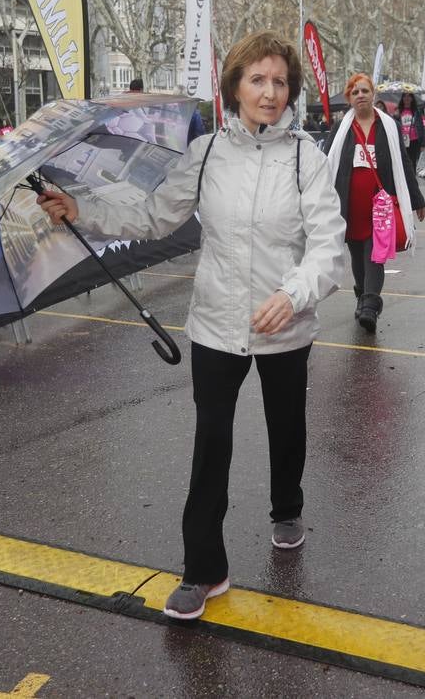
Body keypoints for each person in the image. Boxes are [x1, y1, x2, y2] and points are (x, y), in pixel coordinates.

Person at [37, 31, 346, 622]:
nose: (270, 92)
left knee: (287, 428)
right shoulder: (205, 152)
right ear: (234, 86)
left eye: (280, 81)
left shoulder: (308, 157)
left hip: (285, 323)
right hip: (214, 323)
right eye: (257, 79)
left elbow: (329, 246)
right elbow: (154, 216)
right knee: (212, 444)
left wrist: (293, 293)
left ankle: (287, 506)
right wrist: (83, 210)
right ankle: (205, 568)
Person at [324, 73, 425, 333]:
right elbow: (326, 163)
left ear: (373, 95)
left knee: (376, 255)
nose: (360, 96)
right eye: (355, 92)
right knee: (357, 256)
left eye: (364, 91)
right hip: (349, 206)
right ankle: (362, 295)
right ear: (349, 98)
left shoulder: (388, 126)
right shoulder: (341, 129)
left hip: (380, 205)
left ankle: (370, 307)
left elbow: (403, 163)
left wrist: (416, 199)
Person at [395, 92, 425, 168]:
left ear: (412, 98)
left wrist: (422, 143)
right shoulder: (398, 111)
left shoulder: (416, 111)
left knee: (412, 162)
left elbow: (421, 127)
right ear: (402, 98)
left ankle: (412, 179)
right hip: (401, 140)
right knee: (402, 162)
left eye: (409, 96)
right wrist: (395, 115)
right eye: (405, 96)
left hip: (414, 140)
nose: (407, 98)